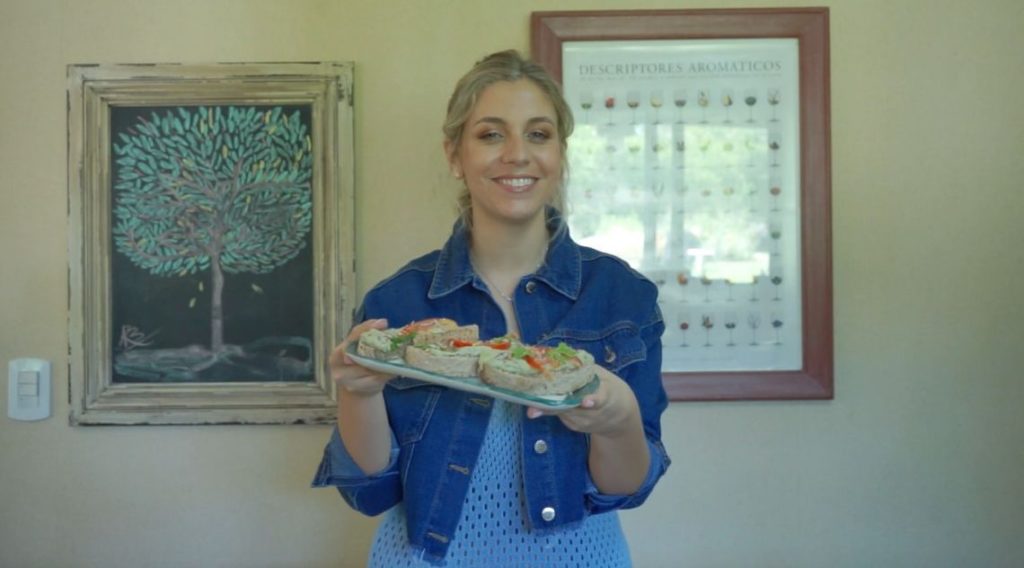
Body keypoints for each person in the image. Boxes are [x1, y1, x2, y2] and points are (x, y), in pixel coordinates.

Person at [312, 49, 670, 567]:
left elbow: (625, 489)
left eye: (539, 134)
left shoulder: (621, 295)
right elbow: (369, 491)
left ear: (560, 153)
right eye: (491, 134)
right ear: (454, 155)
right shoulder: (397, 303)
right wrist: (358, 392)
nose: (518, 154)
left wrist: (619, 421)